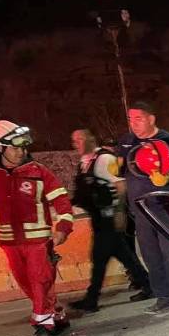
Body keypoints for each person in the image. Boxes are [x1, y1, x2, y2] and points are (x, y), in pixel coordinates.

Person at [0, 121, 74, 336]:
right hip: (9, 242)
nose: (22, 152)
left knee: (40, 280)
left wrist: (63, 227)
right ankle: (54, 313)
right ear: (0, 148)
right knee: (27, 284)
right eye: (15, 147)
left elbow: (61, 200)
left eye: (24, 147)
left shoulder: (39, 172)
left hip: (39, 241)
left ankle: (42, 326)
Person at [116, 101, 169, 317]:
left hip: (167, 206)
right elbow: (122, 170)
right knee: (150, 255)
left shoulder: (168, 141)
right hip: (140, 208)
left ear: (151, 119)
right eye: (131, 119)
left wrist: (168, 177)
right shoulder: (126, 141)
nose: (134, 124)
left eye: (138, 119)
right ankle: (164, 297)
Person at [69, 129, 152, 313]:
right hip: (98, 218)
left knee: (99, 258)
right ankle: (147, 284)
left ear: (91, 139)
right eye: (74, 141)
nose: (77, 144)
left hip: (109, 217)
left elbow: (121, 185)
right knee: (122, 255)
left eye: (80, 139)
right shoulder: (85, 163)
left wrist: (120, 213)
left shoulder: (104, 160)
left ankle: (91, 300)